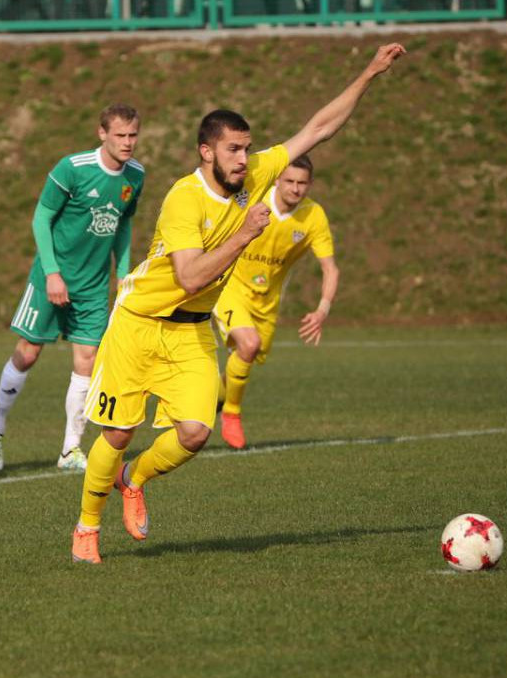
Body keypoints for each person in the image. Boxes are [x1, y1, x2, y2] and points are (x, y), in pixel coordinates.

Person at [71, 44, 406, 564]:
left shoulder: (253, 175)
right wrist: (245, 235)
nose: (244, 159)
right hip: (139, 321)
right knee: (118, 430)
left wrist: (370, 73)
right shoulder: (185, 197)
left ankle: (132, 479)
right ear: (207, 152)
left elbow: (316, 129)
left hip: (189, 330)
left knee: (195, 433)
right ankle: (87, 529)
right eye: (233, 150)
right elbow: (188, 275)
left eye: (247, 149)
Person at [0, 104, 144, 473]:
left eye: (133, 135)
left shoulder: (135, 175)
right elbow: (41, 218)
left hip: (93, 286)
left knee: (87, 360)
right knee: (28, 353)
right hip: (51, 278)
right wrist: (53, 274)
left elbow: (123, 225)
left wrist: (122, 272)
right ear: (102, 133)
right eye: (120, 135)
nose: (128, 143)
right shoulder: (72, 168)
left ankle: (70, 448)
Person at [213, 155, 338, 449]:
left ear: (309, 185)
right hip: (230, 288)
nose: (295, 189)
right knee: (249, 344)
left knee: (244, 358)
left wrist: (322, 309)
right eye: (290, 181)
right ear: (278, 179)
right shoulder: (254, 199)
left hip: (266, 301)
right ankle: (231, 414)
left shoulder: (313, 216)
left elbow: (330, 268)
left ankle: (216, 399)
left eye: (302, 183)